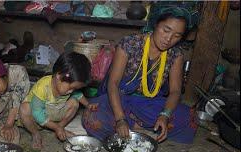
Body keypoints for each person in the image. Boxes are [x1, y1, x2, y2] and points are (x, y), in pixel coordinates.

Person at [82, 4, 200, 144]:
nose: (168, 39)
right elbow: (112, 84)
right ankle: (138, 127)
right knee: (93, 116)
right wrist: (120, 119)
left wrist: (165, 115)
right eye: (166, 30)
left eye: (176, 36)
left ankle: (135, 126)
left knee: (190, 118)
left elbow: (175, 91)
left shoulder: (176, 54)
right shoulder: (129, 44)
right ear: (155, 23)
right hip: (120, 99)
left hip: (149, 103)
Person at [20, 52, 98, 141]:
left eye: (75, 88)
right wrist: (55, 126)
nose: (72, 91)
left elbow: (78, 95)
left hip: (54, 112)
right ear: (58, 76)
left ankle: (60, 127)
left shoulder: (68, 85)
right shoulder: (43, 87)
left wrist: (88, 105)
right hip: (36, 117)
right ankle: (35, 133)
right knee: (24, 108)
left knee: (74, 102)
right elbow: (37, 113)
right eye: (71, 88)